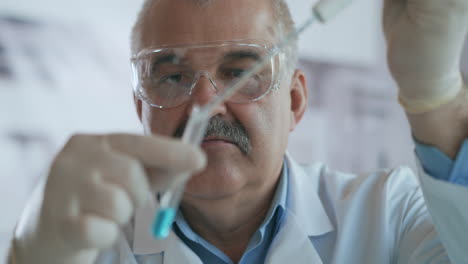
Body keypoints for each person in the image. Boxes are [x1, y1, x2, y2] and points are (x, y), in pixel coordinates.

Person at [8, 0, 468, 263]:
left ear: (294, 102)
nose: (205, 103)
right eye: (171, 76)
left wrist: (436, 101)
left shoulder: (389, 216)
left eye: (240, 72)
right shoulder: (88, 248)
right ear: (140, 108)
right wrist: (29, 257)